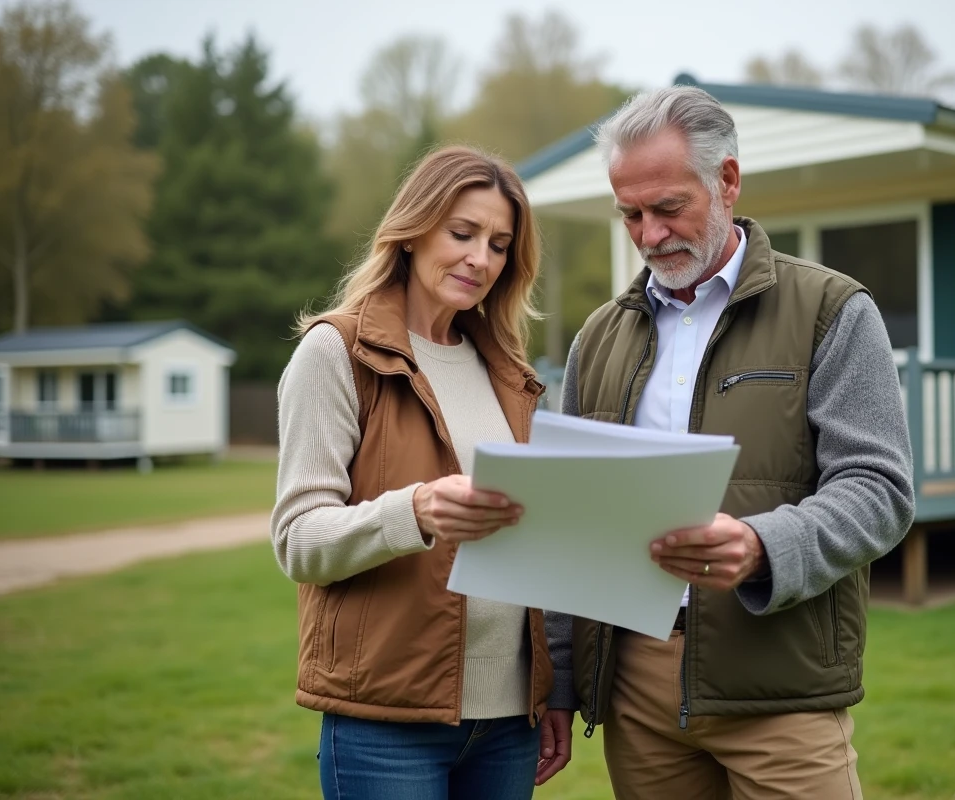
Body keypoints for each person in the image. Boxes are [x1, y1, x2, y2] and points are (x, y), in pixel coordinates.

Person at [552, 85, 916, 798]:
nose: (651, 235)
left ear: (727, 180)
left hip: (780, 688)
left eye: (668, 208)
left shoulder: (832, 310)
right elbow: (571, 523)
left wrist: (761, 547)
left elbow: (880, 489)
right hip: (636, 688)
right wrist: (561, 680)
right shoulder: (598, 336)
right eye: (630, 214)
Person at [271, 146, 574, 800]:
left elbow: (538, 546)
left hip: (507, 723)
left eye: (498, 245)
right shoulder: (336, 353)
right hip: (387, 721)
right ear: (411, 233)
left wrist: (553, 689)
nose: (480, 258)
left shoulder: (512, 375)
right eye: (462, 234)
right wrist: (415, 512)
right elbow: (298, 540)